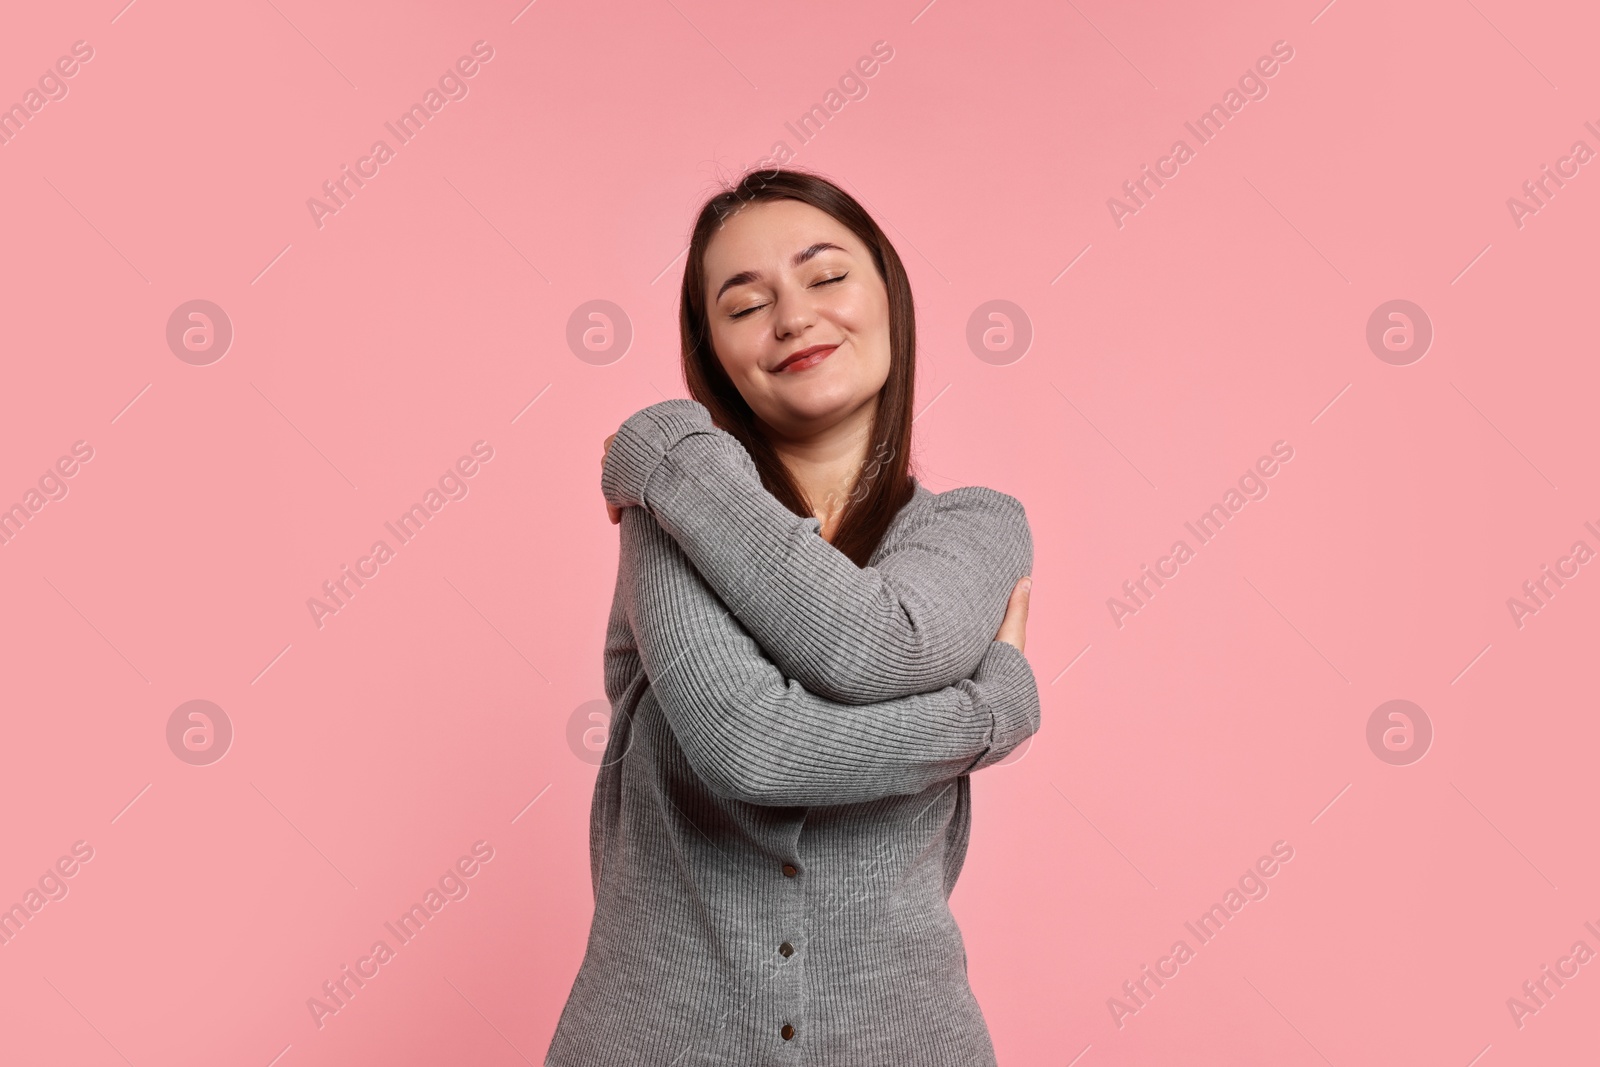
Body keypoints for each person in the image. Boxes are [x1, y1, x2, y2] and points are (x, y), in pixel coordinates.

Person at [546, 167, 1038, 1066]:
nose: (793, 317)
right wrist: (989, 713)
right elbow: (754, 748)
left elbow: (884, 644)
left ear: (889, 293)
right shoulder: (670, 517)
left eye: (826, 275)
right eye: (743, 305)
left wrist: (658, 446)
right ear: (715, 355)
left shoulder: (977, 526)